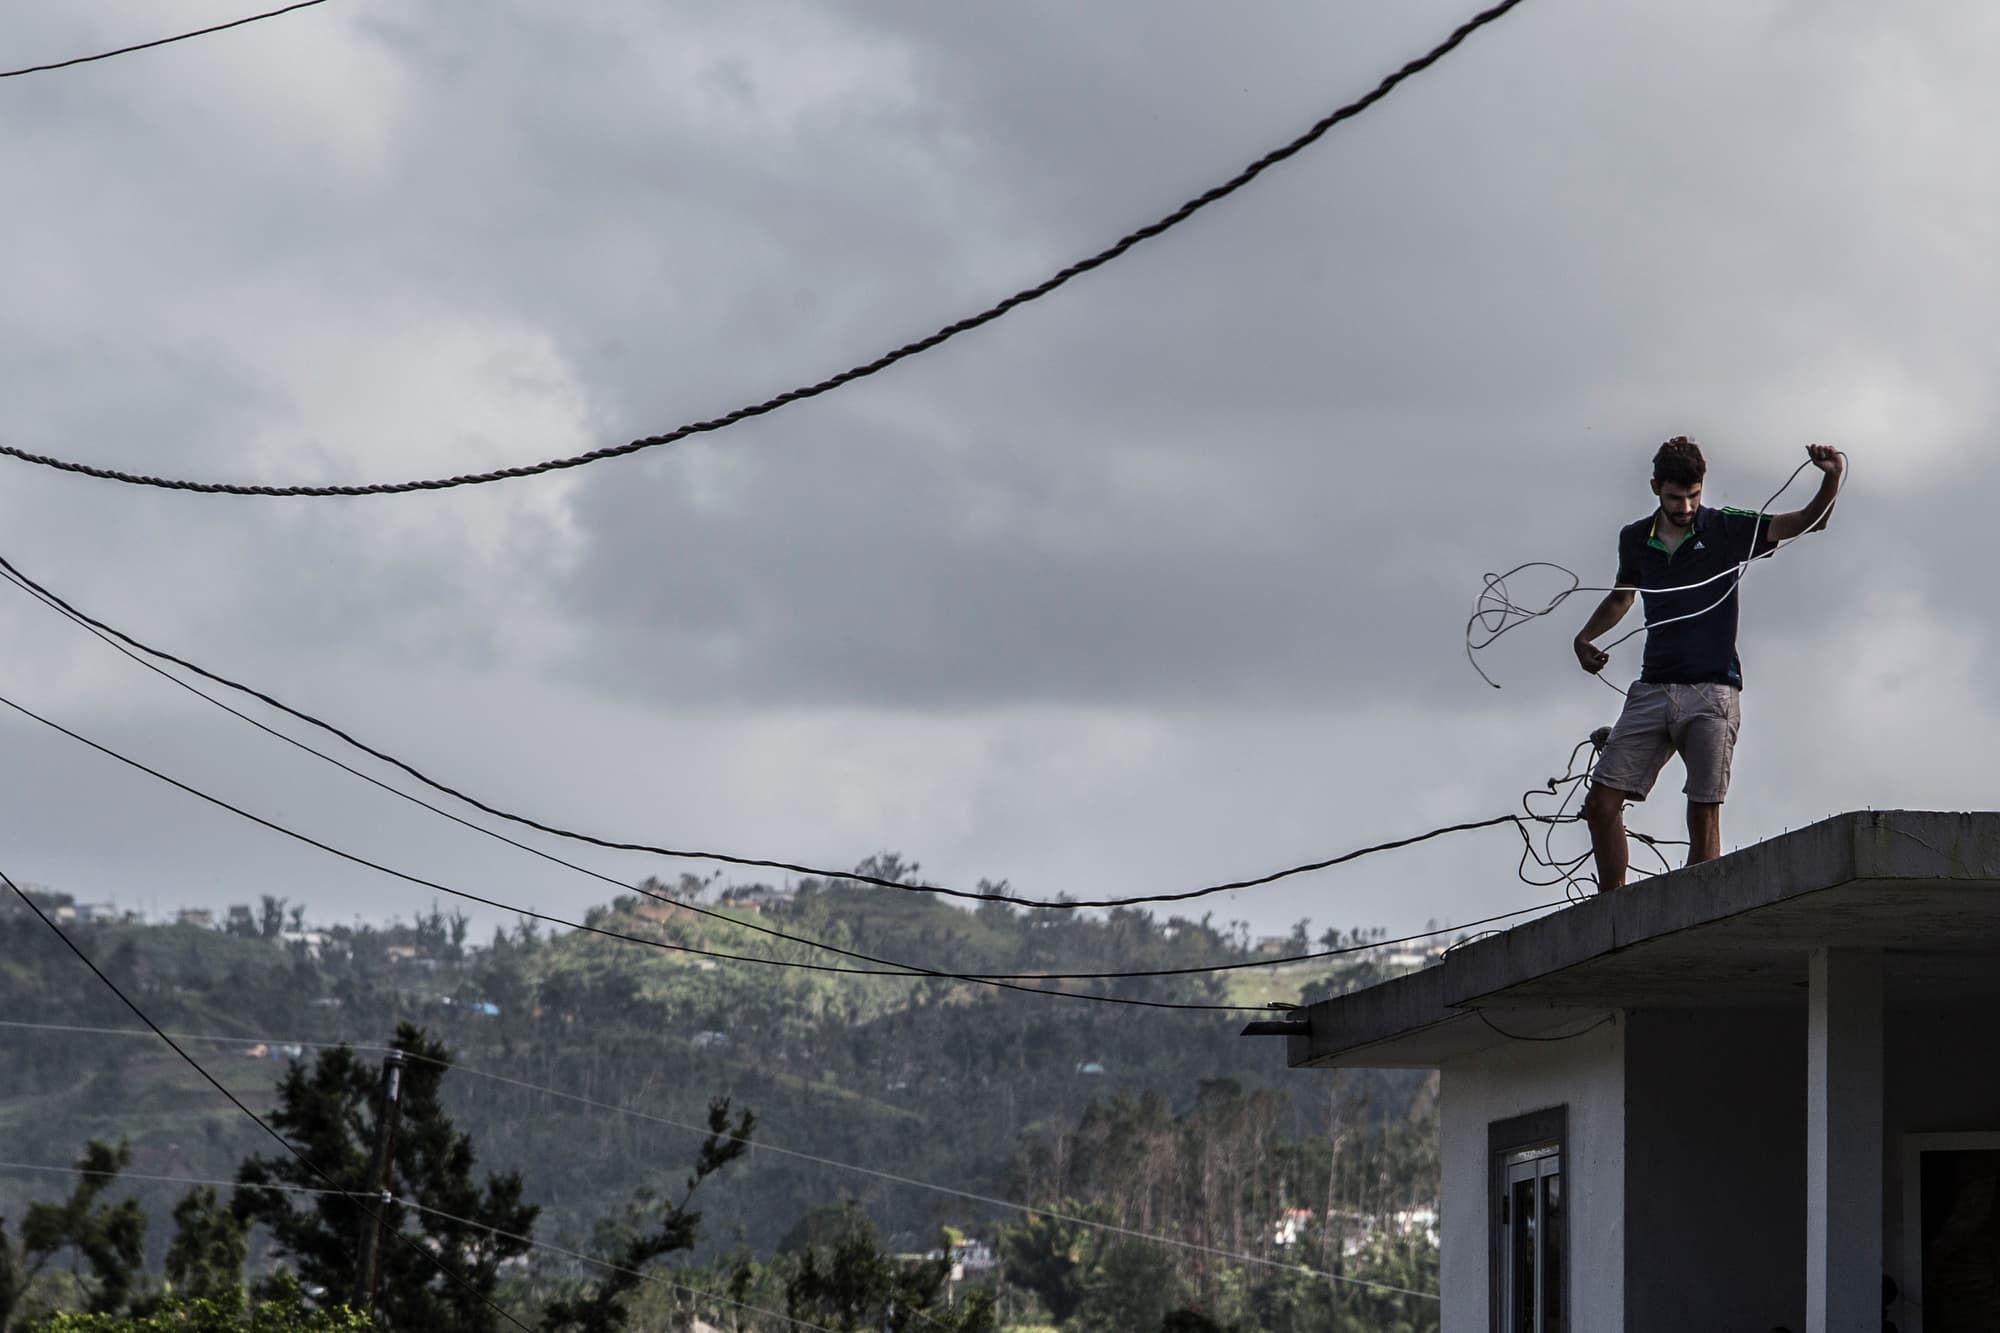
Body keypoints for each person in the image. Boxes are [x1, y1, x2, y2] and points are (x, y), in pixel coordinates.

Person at [1572, 437, 1843, 891]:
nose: (1685, 506)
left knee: (1702, 810)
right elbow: (1623, 596)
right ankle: (1610, 908)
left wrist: (1830, 478)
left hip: (1713, 690)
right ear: (1656, 487)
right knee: (1601, 803)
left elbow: (1806, 522)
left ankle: (1695, 909)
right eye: (1676, 497)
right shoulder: (1635, 538)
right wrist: (1584, 639)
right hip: (1653, 686)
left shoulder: (1723, 528)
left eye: (1693, 495)